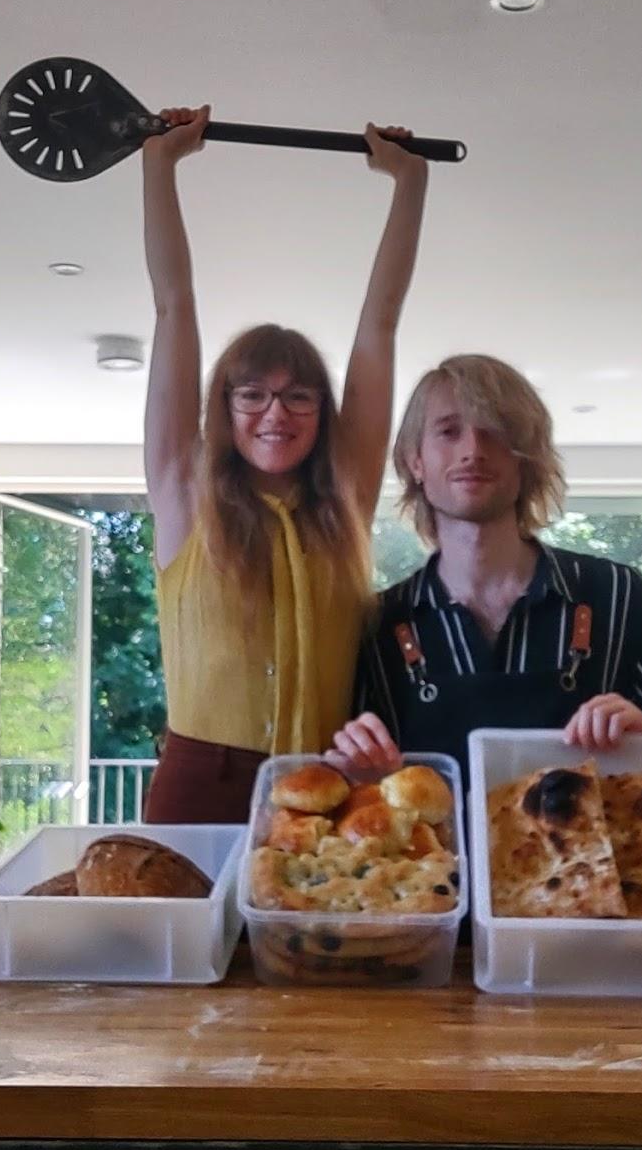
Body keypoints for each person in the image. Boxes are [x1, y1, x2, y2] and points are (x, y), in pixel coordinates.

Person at [326, 353, 642, 1150]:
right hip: (446, 976)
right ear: (417, 465)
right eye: (447, 430)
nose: (472, 448)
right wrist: (356, 764)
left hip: (613, 976)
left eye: (495, 430)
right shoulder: (380, 625)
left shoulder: (617, 595)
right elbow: (359, 826)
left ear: (528, 458)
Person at [139, 104, 429, 824]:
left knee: (317, 944)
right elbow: (173, 307)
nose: (277, 413)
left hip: (322, 786)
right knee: (189, 944)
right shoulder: (184, 495)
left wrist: (409, 185)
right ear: (224, 407)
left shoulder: (345, 504)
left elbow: (379, 328)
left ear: (323, 411)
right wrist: (158, 166)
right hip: (194, 782)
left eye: (299, 396)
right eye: (254, 395)